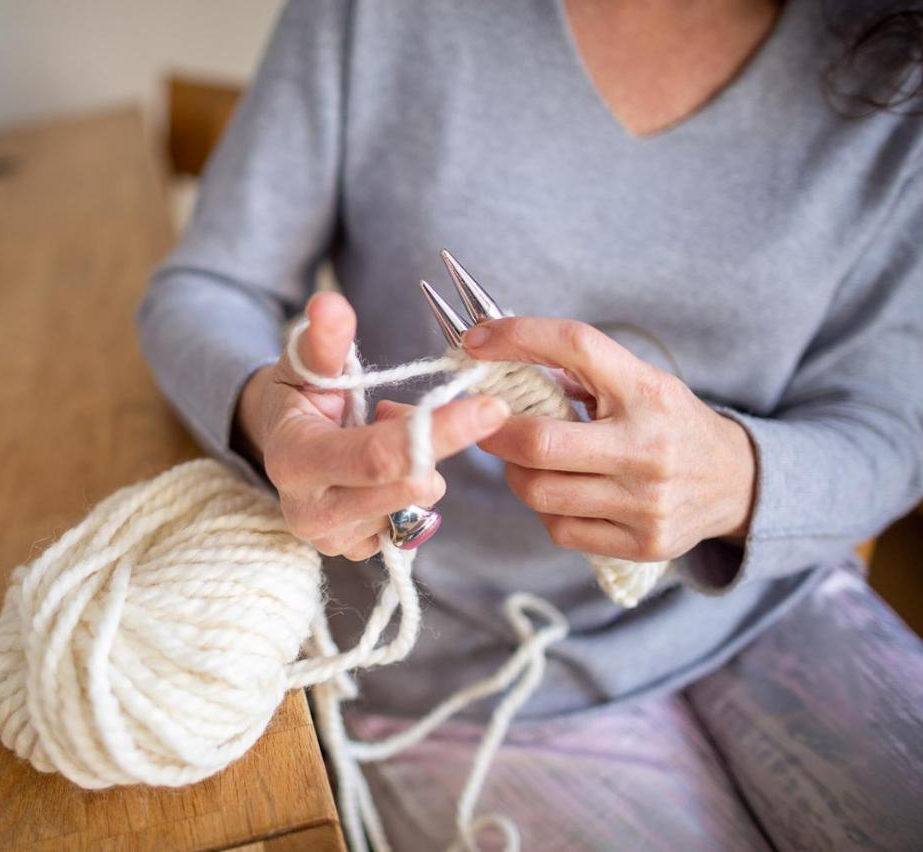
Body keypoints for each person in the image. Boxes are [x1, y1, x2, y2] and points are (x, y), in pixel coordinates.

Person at [138, 1, 923, 848]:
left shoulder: (901, 65)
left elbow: (890, 420)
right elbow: (211, 285)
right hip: (457, 658)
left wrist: (739, 480)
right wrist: (273, 417)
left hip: (770, 606)